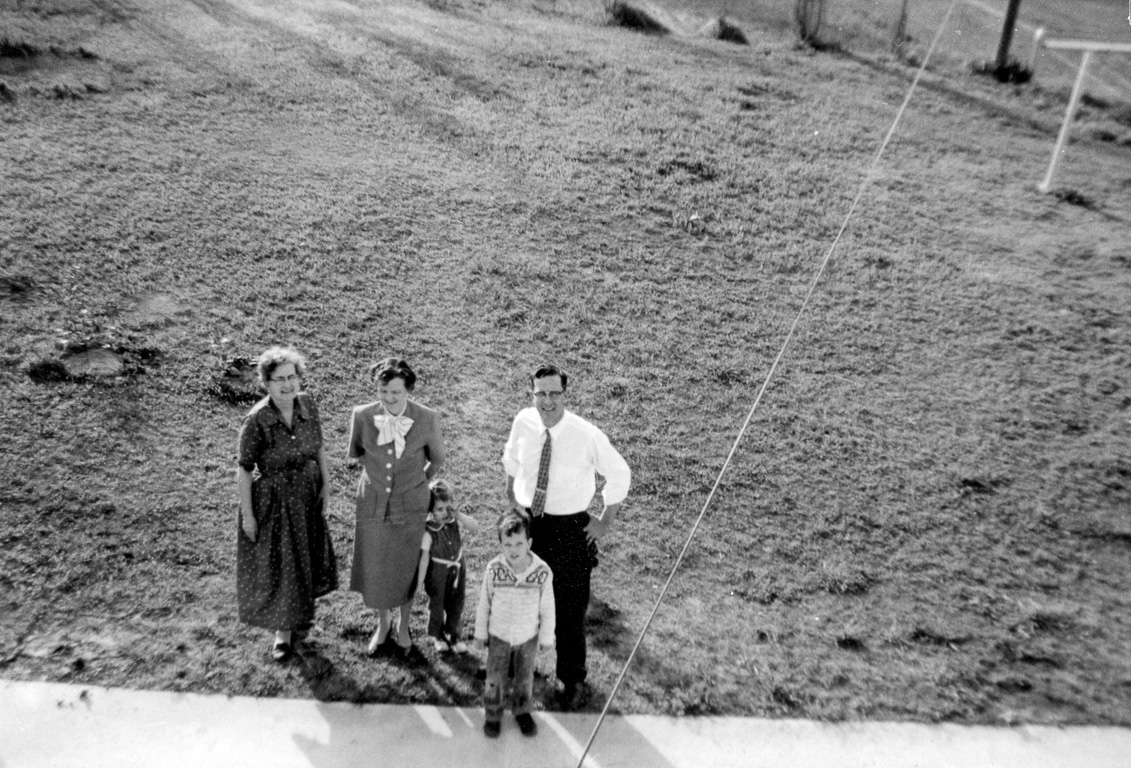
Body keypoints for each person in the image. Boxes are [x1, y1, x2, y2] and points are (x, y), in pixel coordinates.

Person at [502, 363, 630, 710]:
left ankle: (571, 679)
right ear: (533, 394)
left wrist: (604, 521)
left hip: (570, 530)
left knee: (570, 613)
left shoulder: (585, 435)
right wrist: (514, 501)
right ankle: (519, 671)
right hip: (530, 527)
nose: (546, 401)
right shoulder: (523, 422)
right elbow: (512, 461)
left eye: (554, 393)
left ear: (565, 394)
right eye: (540, 393)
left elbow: (620, 474)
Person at [236, 346, 338, 662]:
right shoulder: (257, 419)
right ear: (266, 382)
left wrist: (326, 486)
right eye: (279, 379)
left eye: (293, 377)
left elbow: (318, 447)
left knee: (304, 557)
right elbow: (243, 468)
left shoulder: (307, 403)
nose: (288, 384)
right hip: (275, 501)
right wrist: (249, 517)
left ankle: (299, 620)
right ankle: (282, 634)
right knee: (282, 563)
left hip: (307, 493)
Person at [348, 357, 446, 659]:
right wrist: (379, 479)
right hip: (373, 501)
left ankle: (404, 625)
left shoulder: (427, 418)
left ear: (409, 391)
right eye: (384, 392)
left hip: (411, 503)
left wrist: (418, 483)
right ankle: (383, 622)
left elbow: (438, 459)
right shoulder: (362, 415)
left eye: (397, 393)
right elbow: (359, 454)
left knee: (406, 566)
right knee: (377, 566)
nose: (390, 398)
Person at [474, 511, 555, 738]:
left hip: (528, 637)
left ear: (529, 543)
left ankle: (522, 711)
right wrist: (480, 634)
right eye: (507, 544)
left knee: (524, 678)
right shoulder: (494, 569)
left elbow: (547, 608)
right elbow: (484, 603)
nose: (513, 549)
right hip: (498, 635)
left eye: (519, 543)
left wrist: (547, 638)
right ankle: (493, 715)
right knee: (494, 678)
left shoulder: (542, 572)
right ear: (500, 544)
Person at [417, 479, 479, 654]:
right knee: (437, 603)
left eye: (448, 508)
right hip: (437, 572)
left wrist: (458, 515)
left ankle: (453, 635)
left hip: (458, 568)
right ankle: (438, 636)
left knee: (456, 602)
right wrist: (419, 583)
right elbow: (424, 559)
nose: (445, 513)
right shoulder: (429, 532)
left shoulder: (454, 522)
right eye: (439, 509)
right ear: (431, 510)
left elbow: (475, 527)